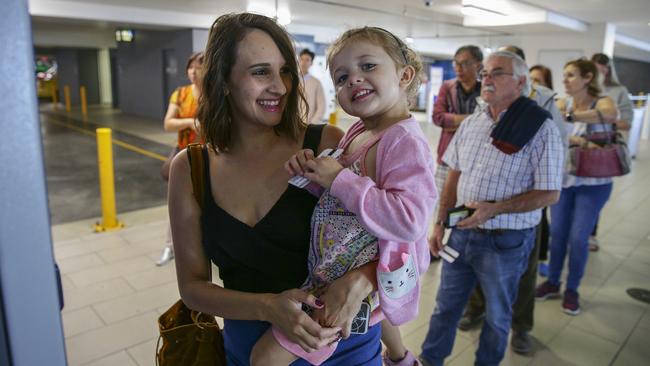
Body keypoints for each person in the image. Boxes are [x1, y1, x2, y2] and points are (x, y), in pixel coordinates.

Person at [168, 13, 384, 365]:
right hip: (249, 352)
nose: (281, 87)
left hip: (343, 349)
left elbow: (394, 233)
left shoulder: (325, 145)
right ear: (223, 81)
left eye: (285, 71)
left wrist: (363, 279)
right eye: (260, 72)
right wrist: (268, 307)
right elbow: (193, 287)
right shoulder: (191, 169)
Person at [251, 26, 436, 366]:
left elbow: (409, 221)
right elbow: (344, 198)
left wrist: (337, 179)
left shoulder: (404, 141)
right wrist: (314, 176)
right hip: (330, 267)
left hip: (341, 287)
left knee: (263, 359)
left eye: (368, 66)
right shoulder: (360, 131)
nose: (353, 80)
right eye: (341, 76)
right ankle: (402, 359)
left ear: (405, 74)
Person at [420, 51, 564, 366]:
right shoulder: (473, 122)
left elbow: (550, 193)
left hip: (505, 241)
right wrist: (440, 223)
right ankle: (430, 360)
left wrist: (494, 209)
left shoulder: (541, 128)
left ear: (522, 82)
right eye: (485, 73)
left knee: (498, 316)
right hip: (461, 235)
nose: (486, 78)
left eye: (497, 73)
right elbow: (453, 174)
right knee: (445, 307)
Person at [535, 59, 618, 315]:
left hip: (594, 183)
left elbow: (611, 116)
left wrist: (569, 120)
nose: (565, 80)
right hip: (564, 181)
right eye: (565, 75)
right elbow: (551, 125)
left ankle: (572, 289)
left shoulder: (603, 102)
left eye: (571, 75)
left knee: (578, 237)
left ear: (588, 78)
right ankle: (552, 282)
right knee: (558, 234)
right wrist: (577, 138)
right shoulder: (562, 102)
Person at [157, 51, 204, 266]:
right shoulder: (181, 94)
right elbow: (168, 123)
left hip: (209, 155)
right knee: (177, 201)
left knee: (205, 201)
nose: (193, 72)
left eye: (199, 67)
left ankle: (203, 245)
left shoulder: (216, 94)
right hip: (184, 152)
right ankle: (170, 245)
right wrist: (189, 122)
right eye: (191, 67)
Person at [587, 53, 634, 251]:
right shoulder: (583, 88)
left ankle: (590, 234)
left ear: (607, 70)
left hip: (602, 148)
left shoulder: (618, 91)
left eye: (602, 68)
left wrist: (603, 117)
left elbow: (626, 122)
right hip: (578, 146)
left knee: (594, 191)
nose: (598, 72)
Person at [432, 45, 483, 195]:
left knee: (466, 202)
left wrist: (453, 122)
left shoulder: (485, 89)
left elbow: (487, 122)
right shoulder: (448, 87)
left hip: (475, 158)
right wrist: (472, 119)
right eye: (456, 63)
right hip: (447, 156)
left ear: (478, 65)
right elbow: (438, 117)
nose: (459, 68)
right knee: (442, 201)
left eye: (465, 63)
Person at [299, 48, 327, 124]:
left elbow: (322, 106)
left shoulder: (316, 83)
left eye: (307, 60)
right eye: (302, 59)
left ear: (311, 63)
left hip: (308, 125)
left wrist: (312, 123)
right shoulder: (291, 80)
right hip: (290, 124)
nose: (303, 62)